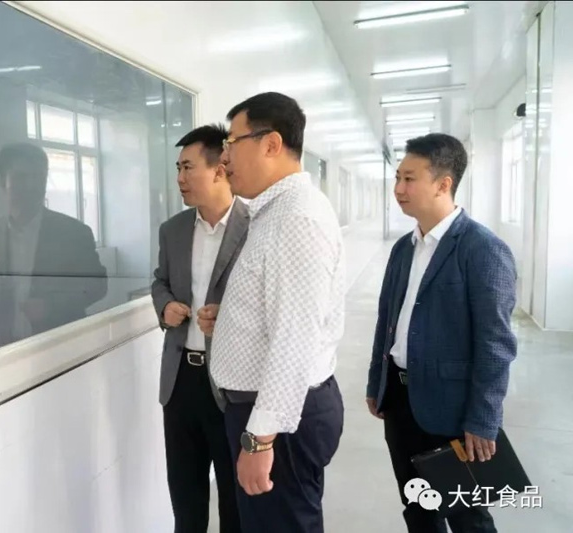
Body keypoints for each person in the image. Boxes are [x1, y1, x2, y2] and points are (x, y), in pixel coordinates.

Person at [200, 92, 345, 533]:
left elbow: (295, 338)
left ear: (271, 144)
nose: (224, 158)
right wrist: (232, 317)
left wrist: (260, 440)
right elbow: (280, 307)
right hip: (268, 412)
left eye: (232, 142)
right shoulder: (274, 212)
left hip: (279, 421)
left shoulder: (296, 218)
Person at [365, 133, 517, 533]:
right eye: (397, 178)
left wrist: (483, 418)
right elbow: (386, 321)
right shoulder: (404, 248)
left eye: (409, 178)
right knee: (418, 507)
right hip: (400, 402)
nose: (398, 189)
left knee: (468, 518)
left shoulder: (482, 249)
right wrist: (377, 382)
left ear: (443, 183)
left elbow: (496, 345)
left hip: (451, 409)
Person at [151, 124, 247, 533]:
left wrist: (230, 316)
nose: (179, 178)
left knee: (234, 502)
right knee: (186, 500)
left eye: (188, 167)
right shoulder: (172, 230)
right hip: (180, 383)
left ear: (220, 169)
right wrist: (164, 306)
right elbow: (160, 281)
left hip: (231, 385)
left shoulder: (254, 228)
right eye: (178, 168)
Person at [0, 142, 107, 345]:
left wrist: (51, 306)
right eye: (21, 177)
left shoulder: (73, 233)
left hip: (59, 346)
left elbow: (97, 285)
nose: (31, 186)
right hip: (4, 349)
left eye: (38, 177)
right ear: (2, 182)